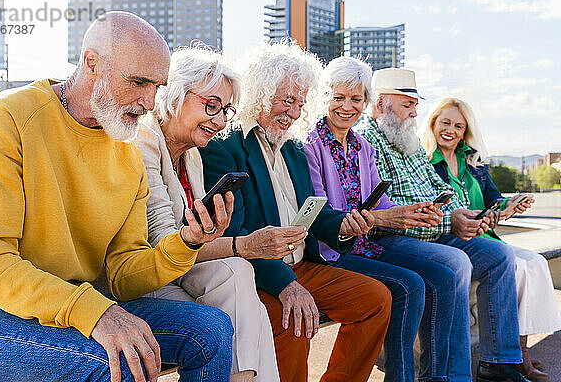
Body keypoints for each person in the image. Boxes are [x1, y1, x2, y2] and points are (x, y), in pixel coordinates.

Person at [0, 12, 234, 382]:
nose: (150, 102)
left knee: (211, 330)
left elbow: (122, 275)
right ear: (92, 63)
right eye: (139, 82)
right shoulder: (6, 121)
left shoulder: (128, 152)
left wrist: (185, 243)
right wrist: (95, 311)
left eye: (157, 87)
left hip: (79, 306)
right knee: (113, 363)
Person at [199, 42, 392, 382]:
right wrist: (287, 284)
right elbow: (236, 236)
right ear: (261, 92)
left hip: (303, 265)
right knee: (294, 321)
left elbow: (314, 214)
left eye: (300, 104)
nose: (293, 112)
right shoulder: (225, 148)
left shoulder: (293, 148)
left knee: (376, 300)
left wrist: (344, 226)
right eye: (287, 100)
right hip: (260, 273)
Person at [303, 56, 479, 382]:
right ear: (324, 97)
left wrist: (410, 214)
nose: (347, 106)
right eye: (338, 97)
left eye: (356, 99)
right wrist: (386, 217)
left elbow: (381, 201)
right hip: (332, 252)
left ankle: (436, 377)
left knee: (441, 277)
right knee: (410, 285)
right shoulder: (310, 143)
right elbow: (320, 210)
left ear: (366, 102)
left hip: (366, 245)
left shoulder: (361, 146)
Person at [361, 67, 530, 382]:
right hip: (392, 238)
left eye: (415, 105)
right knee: (455, 262)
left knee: (499, 256)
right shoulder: (369, 140)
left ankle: (498, 363)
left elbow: (438, 194)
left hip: (434, 231)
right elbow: (389, 212)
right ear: (381, 103)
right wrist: (449, 222)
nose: (415, 112)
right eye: (406, 104)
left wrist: (462, 216)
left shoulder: (407, 140)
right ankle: (452, 376)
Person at [133, 46, 282, 382]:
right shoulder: (143, 140)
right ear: (174, 93)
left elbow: (190, 237)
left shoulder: (192, 156)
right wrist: (241, 244)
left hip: (178, 272)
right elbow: (162, 241)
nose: (219, 120)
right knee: (236, 272)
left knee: (248, 300)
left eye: (226, 110)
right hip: (143, 277)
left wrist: (213, 232)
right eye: (211, 105)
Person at [422, 97, 561, 381]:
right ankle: (508, 359)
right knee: (518, 267)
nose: (451, 130)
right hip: (451, 239)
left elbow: (494, 200)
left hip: (486, 239)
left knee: (535, 263)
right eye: (445, 122)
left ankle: (518, 354)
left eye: (459, 126)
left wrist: (509, 206)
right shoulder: (423, 163)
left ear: (465, 131)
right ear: (433, 124)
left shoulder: (473, 161)